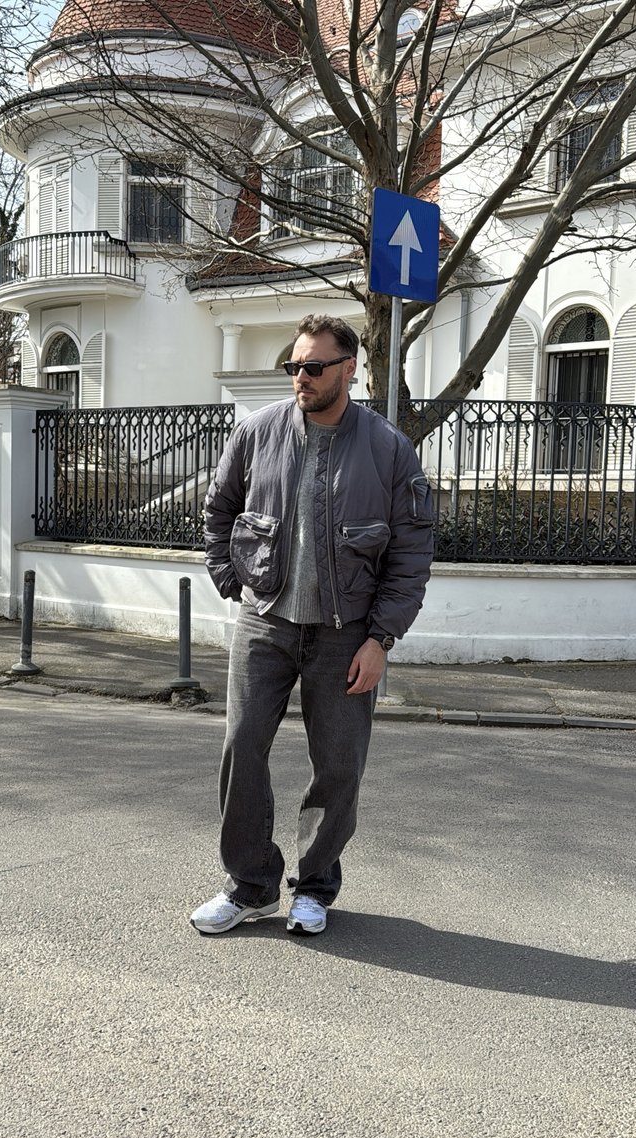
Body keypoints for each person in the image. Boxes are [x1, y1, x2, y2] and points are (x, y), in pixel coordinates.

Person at [190, 313, 434, 936]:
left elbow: (411, 553)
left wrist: (381, 639)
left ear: (348, 369)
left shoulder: (388, 448)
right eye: (294, 365)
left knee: (339, 766)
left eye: (314, 366)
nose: (301, 376)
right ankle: (250, 885)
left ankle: (316, 885)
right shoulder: (258, 433)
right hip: (265, 621)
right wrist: (228, 577)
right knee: (242, 748)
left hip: (345, 632)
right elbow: (218, 510)